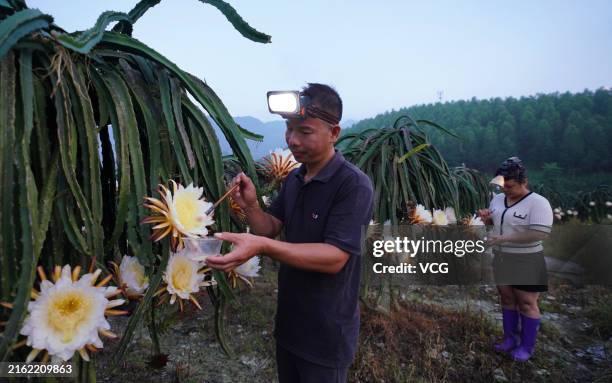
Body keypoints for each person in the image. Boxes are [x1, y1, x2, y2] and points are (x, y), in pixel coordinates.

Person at [206, 83, 374, 382]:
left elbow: (334, 258)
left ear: (334, 133)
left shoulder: (353, 185)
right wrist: (252, 205)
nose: (292, 140)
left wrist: (261, 246)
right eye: (289, 129)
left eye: (305, 132)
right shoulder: (296, 177)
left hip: (326, 335)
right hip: (290, 326)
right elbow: (270, 228)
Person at [477, 157, 553, 362]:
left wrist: (505, 238)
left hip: (527, 259)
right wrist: (487, 220)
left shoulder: (538, 203)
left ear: (524, 182)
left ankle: (526, 347)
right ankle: (510, 339)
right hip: (502, 257)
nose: (506, 191)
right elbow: (494, 222)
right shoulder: (497, 199)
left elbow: (539, 233)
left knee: (527, 302)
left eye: (510, 186)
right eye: (503, 187)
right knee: (507, 299)